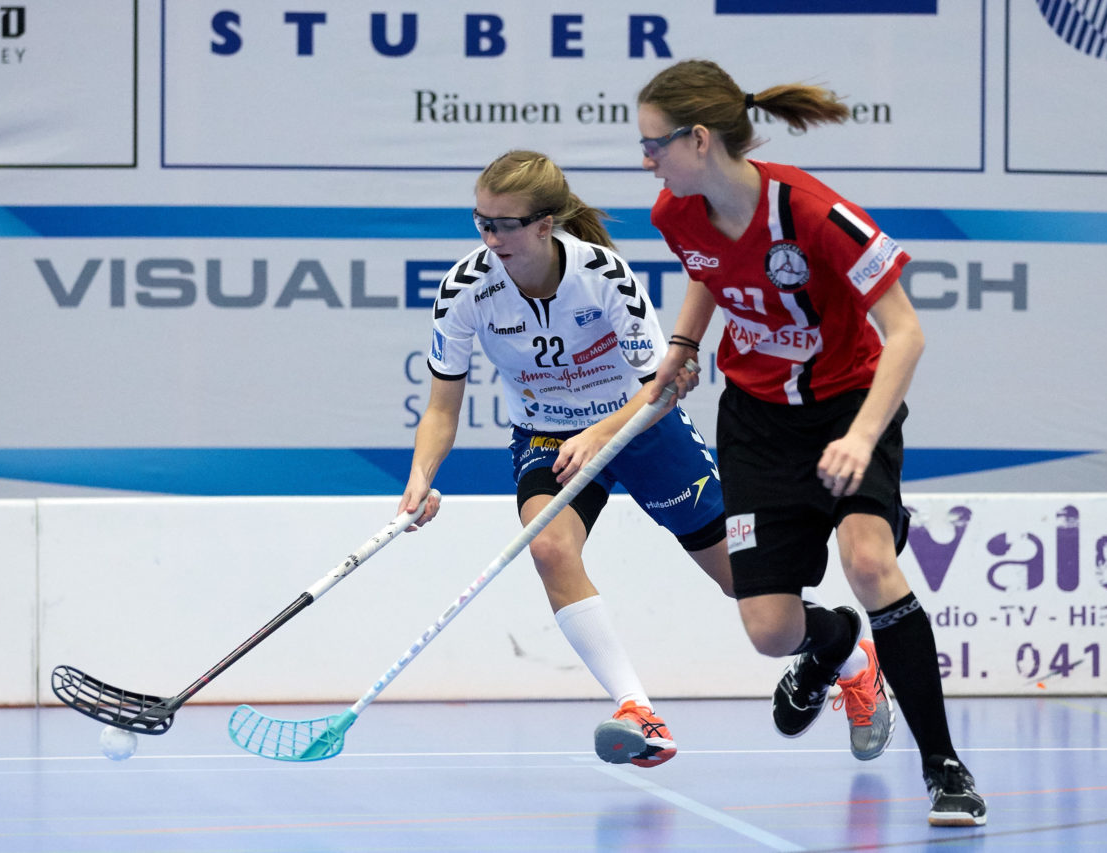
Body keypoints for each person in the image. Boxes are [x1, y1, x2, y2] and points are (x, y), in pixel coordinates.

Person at [635, 60, 987, 827]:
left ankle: (944, 767)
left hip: (848, 404)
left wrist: (863, 438)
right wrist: (686, 344)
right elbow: (709, 269)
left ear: (700, 139)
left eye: (654, 144)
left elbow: (906, 333)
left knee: (868, 559)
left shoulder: (816, 213)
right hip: (758, 420)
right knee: (769, 630)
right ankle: (833, 646)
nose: (646, 160)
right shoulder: (676, 211)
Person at [398, 149, 734, 768]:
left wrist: (602, 432)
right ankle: (638, 711)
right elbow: (442, 408)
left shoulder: (604, 277)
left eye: (503, 224)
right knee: (549, 546)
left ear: (544, 225)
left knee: (744, 586)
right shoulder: (465, 289)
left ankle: (848, 655)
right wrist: (421, 480)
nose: (489, 237)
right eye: (481, 221)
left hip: (638, 426)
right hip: (547, 433)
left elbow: (662, 386)